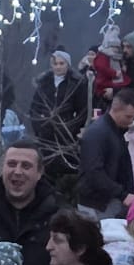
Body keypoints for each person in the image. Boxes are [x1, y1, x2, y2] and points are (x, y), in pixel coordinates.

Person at [27, 51, 89, 184]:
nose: (58, 67)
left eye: (62, 63)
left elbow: (83, 110)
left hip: (67, 132)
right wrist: (39, 127)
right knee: (47, 167)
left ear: (68, 64)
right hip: (45, 133)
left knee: (67, 166)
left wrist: (72, 127)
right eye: (55, 64)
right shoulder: (44, 83)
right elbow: (34, 108)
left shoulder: (76, 84)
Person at [78, 89, 134, 219]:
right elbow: (94, 171)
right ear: (116, 109)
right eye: (128, 117)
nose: (131, 121)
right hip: (98, 204)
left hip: (108, 201)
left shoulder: (113, 131)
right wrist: (122, 194)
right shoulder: (98, 133)